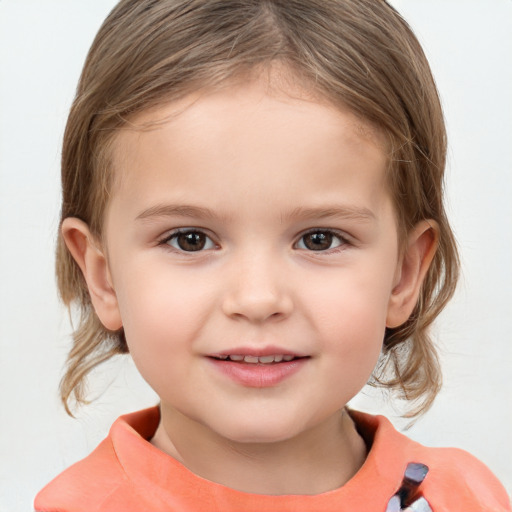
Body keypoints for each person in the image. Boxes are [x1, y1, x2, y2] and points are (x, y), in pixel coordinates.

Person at [34, 1, 510, 511]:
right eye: (190, 239)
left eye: (319, 239)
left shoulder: (461, 497)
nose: (258, 298)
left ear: (404, 274)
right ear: (102, 278)